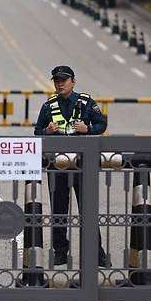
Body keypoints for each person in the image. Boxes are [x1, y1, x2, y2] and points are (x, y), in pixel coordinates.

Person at [34, 65, 111, 267]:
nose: (60, 83)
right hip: (57, 165)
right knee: (58, 211)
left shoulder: (86, 102)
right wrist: (47, 131)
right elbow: (37, 132)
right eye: (56, 80)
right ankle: (60, 251)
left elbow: (102, 125)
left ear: (73, 81)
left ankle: (97, 253)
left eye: (64, 80)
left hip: (82, 166)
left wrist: (89, 129)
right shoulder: (48, 106)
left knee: (88, 210)